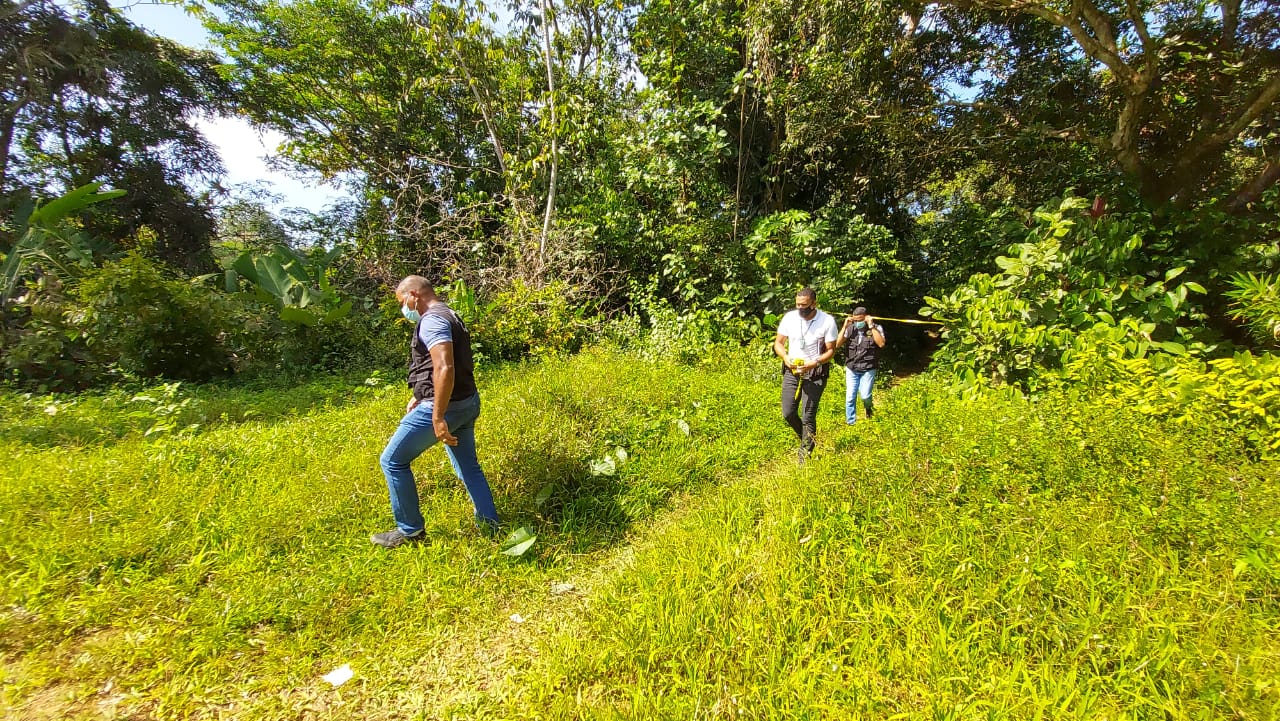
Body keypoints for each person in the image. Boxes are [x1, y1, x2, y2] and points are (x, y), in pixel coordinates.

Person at [372, 275, 499, 548]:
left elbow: (445, 367)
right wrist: (419, 394)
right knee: (469, 467)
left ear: (414, 294)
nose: (403, 308)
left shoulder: (432, 320)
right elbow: (436, 368)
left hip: (448, 407)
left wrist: (437, 415)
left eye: (403, 301)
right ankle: (492, 526)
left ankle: (411, 532)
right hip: (467, 402)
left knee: (393, 461)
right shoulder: (450, 313)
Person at [773, 288, 839, 462]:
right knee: (788, 413)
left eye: (804, 305)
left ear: (814, 304)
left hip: (815, 372)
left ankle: (804, 456)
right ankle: (807, 439)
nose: (800, 308)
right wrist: (785, 357)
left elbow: (831, 350)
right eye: (798, 304)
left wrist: (814, 363)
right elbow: (778, 343)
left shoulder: (827, 321)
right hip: (792, 371)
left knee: (808, 415)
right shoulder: (790, 318)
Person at [836, 306, 885, 425]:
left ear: (866, 317)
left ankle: (868, 408)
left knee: (865, 395)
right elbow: (837, 344)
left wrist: (871, 325)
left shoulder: (876, 328)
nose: (858, 322)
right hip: (852, 367)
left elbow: (881, 343)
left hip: (868, 367)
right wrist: (844, 326)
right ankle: (851, 422)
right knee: (850, 396)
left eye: (860, 320)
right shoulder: (850, 328)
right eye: (855, 320)